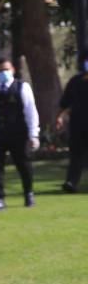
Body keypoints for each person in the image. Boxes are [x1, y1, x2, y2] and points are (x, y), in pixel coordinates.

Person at [0, 58, 39, 212]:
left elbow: (30, 111)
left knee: (23, 164)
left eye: (6, 69)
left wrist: (33, 134)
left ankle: (29, 194)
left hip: (19, 133)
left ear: (12, 69)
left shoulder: (22, 87)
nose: (3, 73)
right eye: (0, 70)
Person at [56, 59, 88, 192]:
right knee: (76, 154)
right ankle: (71, 182)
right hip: (78, 123)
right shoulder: (75, 81)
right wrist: (60, 117)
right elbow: (65, 102)